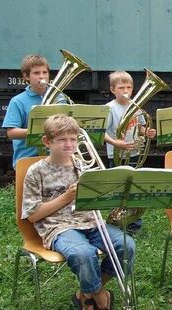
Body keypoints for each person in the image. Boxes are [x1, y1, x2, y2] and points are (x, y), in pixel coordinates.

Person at [22, 114, 135, 310]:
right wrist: (66, 197)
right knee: (83, 253)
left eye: (73, 139)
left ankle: (86, 294)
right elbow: (33, 215)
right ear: (47, 142)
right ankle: (99, 295)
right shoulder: (36, 171)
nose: (69, 145)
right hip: (58, 227)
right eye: (62, 140)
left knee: (127, 246)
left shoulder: (83, 165)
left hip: (91, 221)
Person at [103, 71, 156, 234]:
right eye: (121, 87)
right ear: (113, 90)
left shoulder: (136, 107)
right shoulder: (110, 108)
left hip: (134, 154)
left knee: (134, 189)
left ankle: (134, 223)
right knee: (120, 189)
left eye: (129, 87)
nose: (126, 90)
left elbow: (139, 127)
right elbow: (102, 132)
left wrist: (145, 132)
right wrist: (114, 142)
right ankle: (117, 221)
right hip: (117, 155)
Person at [3, 54, 50, 169]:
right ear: (26, 76)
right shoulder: (17, 101)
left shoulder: (60, 98)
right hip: (27, 161)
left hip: (55, 160)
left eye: (44, 72)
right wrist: (40, 131)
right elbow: (11, 133)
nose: (42, 76)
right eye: (36, 73)